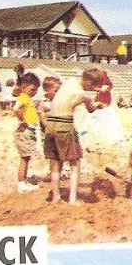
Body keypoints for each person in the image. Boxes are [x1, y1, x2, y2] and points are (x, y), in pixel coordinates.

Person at [39, 75, 96, 205]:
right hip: (64, 125)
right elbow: (91, 109)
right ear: (88, 82)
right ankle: (72, 199)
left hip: (50, 124)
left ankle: (55, 197)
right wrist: (97, 103)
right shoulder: (82, 94)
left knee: (55, 163)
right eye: (92, 86)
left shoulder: (69, 81)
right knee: (75, 162)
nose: (91, 89)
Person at [12, 72, 41, 193]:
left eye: (36, 90)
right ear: (24, 87)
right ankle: (21, 184)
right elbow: (16, 109)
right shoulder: (24, 97)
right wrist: (23, 120)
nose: (34, 92)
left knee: (26, 158)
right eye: (32, 89)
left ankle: (23, 181)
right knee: (25, 158)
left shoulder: (27, 98)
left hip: (29, 130)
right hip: (25, 131)